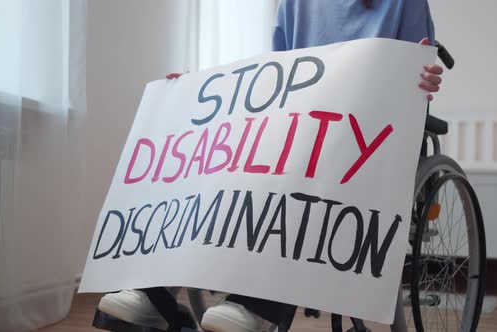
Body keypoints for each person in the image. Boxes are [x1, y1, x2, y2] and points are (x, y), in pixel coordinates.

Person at [97, 1, 443, 331]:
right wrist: (194, 88)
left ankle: (256, 305)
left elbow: (414, 75)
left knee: (301, 173)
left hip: (364, 137)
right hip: (304, 127)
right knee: (233, 161)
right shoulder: (294, 3)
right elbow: (276, 78)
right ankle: (157, 290)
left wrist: (422, 76)